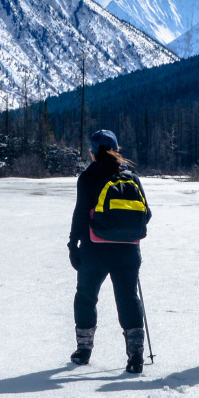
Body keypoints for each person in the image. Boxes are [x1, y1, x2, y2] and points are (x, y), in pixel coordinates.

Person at [68, 130, 151, 374]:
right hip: (129, 250)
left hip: (95, 249)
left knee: (86, 297)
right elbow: (147, 214)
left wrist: (73, 245)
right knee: (128, 298)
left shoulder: (88, 177)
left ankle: (83, 351)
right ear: (117, 149)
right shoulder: (131, 176)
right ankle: (136, 357)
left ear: (92, 152)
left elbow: (80, 214)